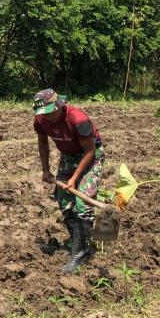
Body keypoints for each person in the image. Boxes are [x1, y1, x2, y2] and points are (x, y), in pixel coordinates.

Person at [33, 89, 105, 273]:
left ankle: (80, 255)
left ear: (59, 105)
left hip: (90, 156)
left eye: (50, 111)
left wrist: (73, 179)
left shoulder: (77, 119)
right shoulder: (40, 120)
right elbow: (43, 142)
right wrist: (45, 169)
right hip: (68, 156)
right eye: (43, 112)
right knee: (63, 199)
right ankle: (77, 244)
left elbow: (89, 151)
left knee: (82, 201)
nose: (47, 116)